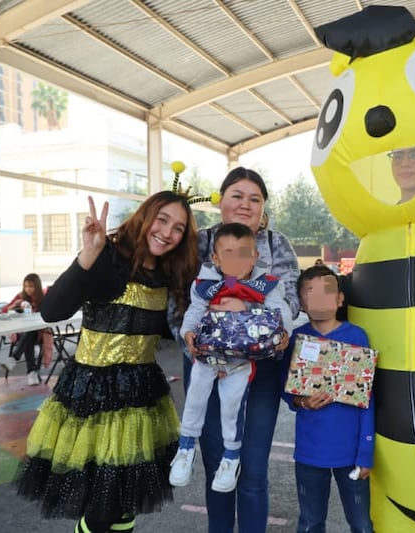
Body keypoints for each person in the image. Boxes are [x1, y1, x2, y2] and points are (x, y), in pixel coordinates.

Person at [15, 192, 200, 533]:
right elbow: (52, 310)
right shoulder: (107, 255)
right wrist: (89, 251)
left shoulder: (172, 274)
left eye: (178, 228)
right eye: (162, 219)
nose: (167, 232)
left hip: (141, 398)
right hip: (93, 396)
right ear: (145, 216)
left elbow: (174, 330)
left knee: (123, 504)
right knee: (101, 509)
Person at [172, 166, 301, 533]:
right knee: (217, 465)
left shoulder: (278, 246)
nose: (246, 204)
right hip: (208, 366)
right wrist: (196, 344)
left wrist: (247, 314)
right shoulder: (196, 243)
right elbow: (180, 301)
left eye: (255, 198)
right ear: (221, 201)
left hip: (261, 370)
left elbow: (289, 301)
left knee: (254, 468)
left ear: (263, 208)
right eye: (237, 196)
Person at [170, 222, 293, 493]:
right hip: (207, 357)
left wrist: (284, 330)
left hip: (240, 361)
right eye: (228, 253)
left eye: (243, 253)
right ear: (215, 258)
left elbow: (281, 311)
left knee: (232, 407)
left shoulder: (267, 284)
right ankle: (186, 448)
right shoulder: (204, 285)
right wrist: (188, 332)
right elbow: (193, 312)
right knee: (195, 398)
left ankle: (231, 457)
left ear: (255, 256)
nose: (236, 260)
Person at [280, 265, 374, 533]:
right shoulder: (297, 339)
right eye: (311, 293)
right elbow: (285, 388)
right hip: (310, 452)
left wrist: (365, 452)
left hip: (351, 452)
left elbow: (367, 398)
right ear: (301, 302)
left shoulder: (357, 337)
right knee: (310, 522)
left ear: (340, 299)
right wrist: (301, 402)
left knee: (362, 524)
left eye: (327, 292)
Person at [0, 273, 47, 385]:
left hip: (39, 333)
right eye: (26, 286)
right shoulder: (20, 297)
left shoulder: (43, 298)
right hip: (20, 332)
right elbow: (4, 311)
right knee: (28, 336)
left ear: (37, 286)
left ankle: (14, 358)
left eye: (31, 286)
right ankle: (32, 373)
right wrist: (16, 305)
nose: (28, 289)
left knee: (30, 333)